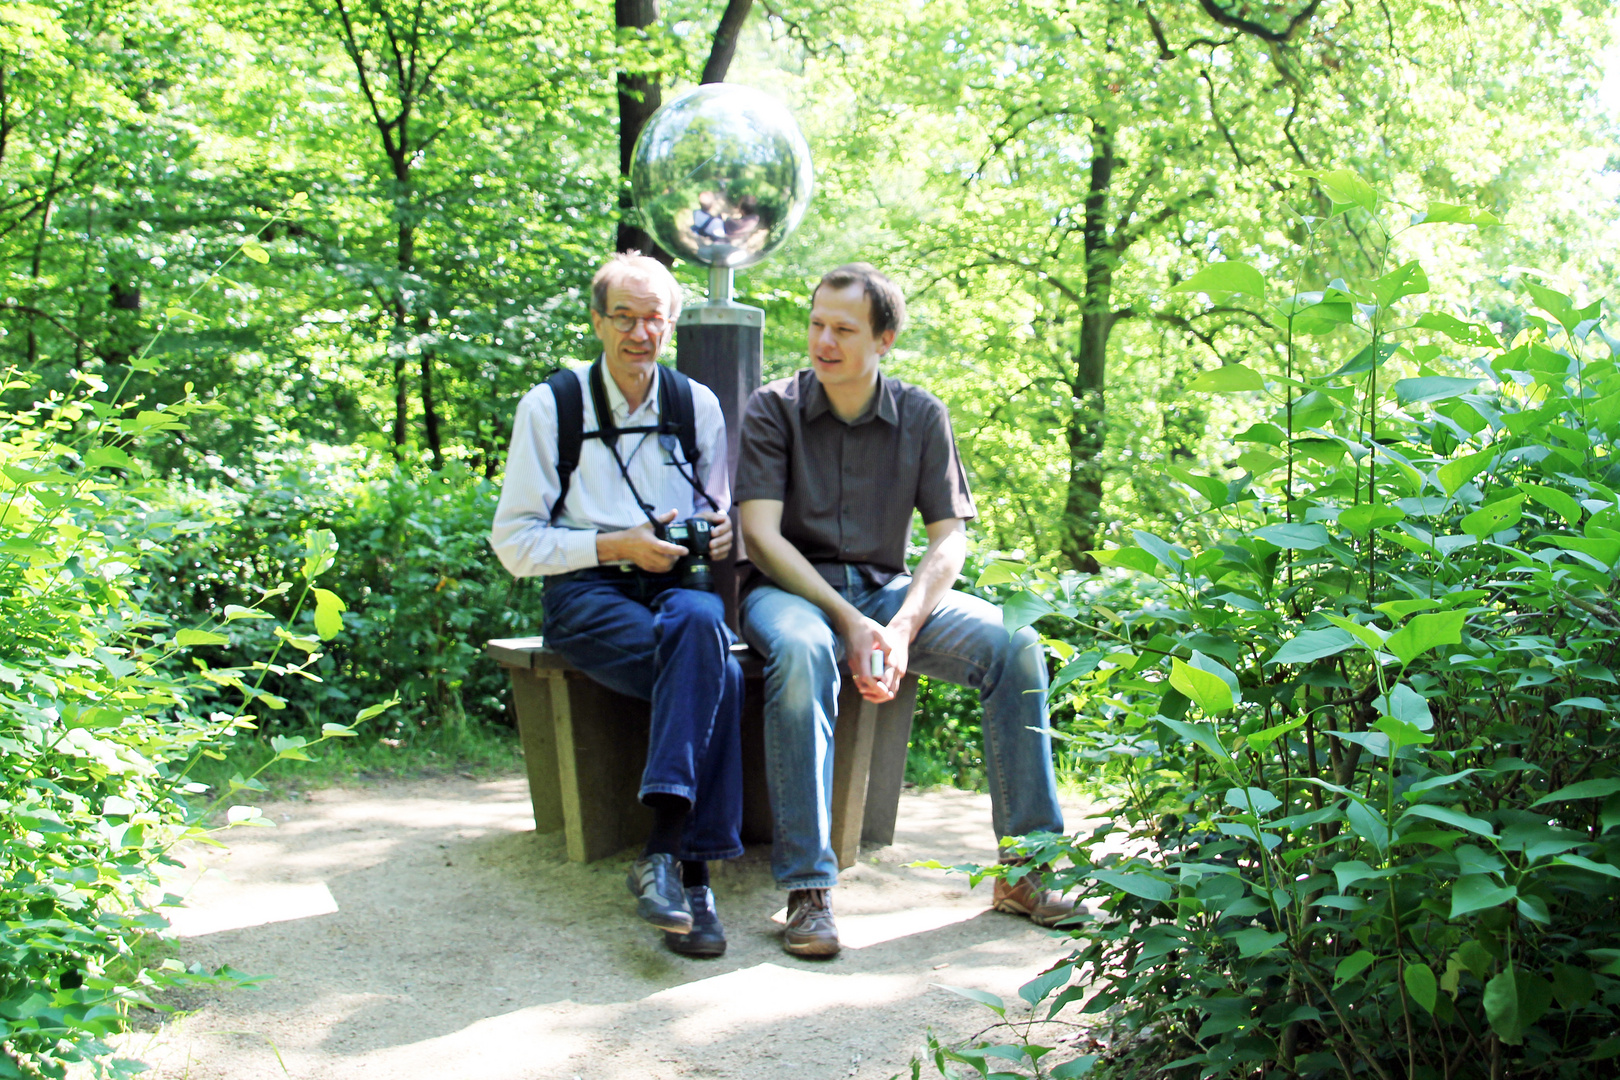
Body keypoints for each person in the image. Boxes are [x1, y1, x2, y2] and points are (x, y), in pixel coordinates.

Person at [734, 263, 1072, 958]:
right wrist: (847, 620)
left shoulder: (922, 416)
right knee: (800, 654)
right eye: (817, 324)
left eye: (844, 329)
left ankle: (1026, 872)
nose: (823, 341)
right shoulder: (773, 408)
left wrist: (900, 624)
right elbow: (761, 537)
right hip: (791, 593)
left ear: (884, 339)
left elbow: (951, 539)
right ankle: (807, 890)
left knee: (1017, 645)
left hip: (888, 595)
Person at [490, 252, 742, 959]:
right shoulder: (554, 407)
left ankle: (664, 862)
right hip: (586, 592)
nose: (640, 333)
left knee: (701, 625)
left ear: (673, 322)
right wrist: (614, 547)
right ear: (597, 321)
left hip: (674, 588)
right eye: (624, 317)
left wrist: (720, 532)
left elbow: (715, 513)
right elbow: (513, 543)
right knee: (716, 670)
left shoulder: (697, 406)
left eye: (654, 317)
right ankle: (692, 874)